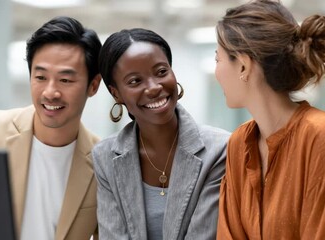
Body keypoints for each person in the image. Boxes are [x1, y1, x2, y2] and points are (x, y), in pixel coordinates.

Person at [214, 0, 325, 239]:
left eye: (218, 59)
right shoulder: (239, 144)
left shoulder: (322, 135)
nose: (217, 72)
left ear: (243, 66)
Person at [0, 16, 102, 240]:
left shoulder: (104, 162)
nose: (50, 92)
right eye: (40, 77)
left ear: (93, 85)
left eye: (65, 80)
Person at [92, 28, 230, 240]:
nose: (154, 87)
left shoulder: (220, 148)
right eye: (135, 81)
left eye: (161, 72)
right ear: (116, 93)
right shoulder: (105, 157)